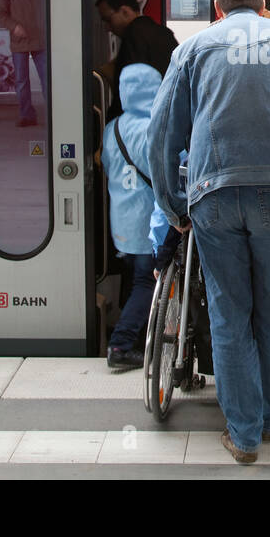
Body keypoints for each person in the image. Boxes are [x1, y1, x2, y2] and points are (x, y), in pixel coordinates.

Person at [148, 0, 270, 464]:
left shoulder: (193, 49)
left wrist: (172, 206)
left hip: (214, 196)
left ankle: (244, 435)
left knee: (229, 315)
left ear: (217, 8)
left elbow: (160, 138)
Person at [101, 63, 164, 370]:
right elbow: (164, 172)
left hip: (121, 222)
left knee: (134, 281)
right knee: (146, 283)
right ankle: (122, 345)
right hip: (146, 222)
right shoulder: (152, 128)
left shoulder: (111, 128)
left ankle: (132, 333)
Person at [95, 0, 178, 115]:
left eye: (108, 20)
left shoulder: (133, 37)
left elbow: (128, 93)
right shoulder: (165, 33)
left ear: (125, 11)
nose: (107, 28)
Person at [0, 0, 48, 127]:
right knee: (21, 81)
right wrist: (14, 26)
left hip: (40, 40)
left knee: (47, 78)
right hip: (19, 42)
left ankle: (53, 113)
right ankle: (27, 115)